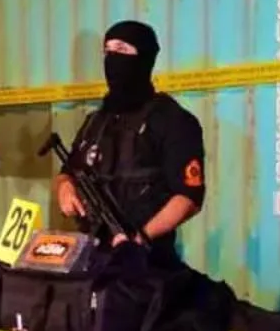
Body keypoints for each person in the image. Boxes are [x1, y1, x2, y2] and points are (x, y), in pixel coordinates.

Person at [54, 21, 205, 267]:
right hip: (92, 257)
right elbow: (68, 171)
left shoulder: (172, 120)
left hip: (148, 260)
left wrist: (139, 239)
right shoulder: (96, 121)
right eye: (108, 51)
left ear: (144, 59)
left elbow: (189, 197)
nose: (112, 58)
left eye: (122, 49)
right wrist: (64, 188)